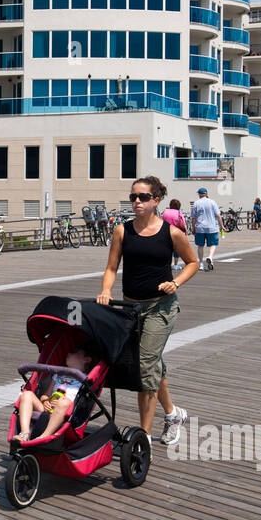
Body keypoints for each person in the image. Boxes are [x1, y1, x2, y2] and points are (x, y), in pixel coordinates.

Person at [97, 175, 199, 446]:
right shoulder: (122, 231)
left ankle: (144, 439)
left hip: (160, 309)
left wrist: (175, 282)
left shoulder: (171, 232)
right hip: (130, 309)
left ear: (156, 200)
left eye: (143, 197)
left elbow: (192, 262)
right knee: (151, 365)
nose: (137, 202)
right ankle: (173, 414)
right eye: (133, 197)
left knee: (145, 366)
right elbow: (111, 268)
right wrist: (106, 291)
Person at [14, 347, 96, 441]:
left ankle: (44, 436)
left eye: (74, 352)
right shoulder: (58, 375)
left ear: (87, 359)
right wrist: (45, 401)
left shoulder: (86, 380)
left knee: (63, 401)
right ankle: (24, 433)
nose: (68, 353)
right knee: (27, 394)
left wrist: (64, 404)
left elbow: (88, 403)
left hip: (66, 412)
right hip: (48, 409)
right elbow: (46, 395)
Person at [190, 187, 221, 271]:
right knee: (213, 244)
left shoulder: (196, 203)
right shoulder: (212, 202)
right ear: (206, 194)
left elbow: (193, 218)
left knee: (200, 246)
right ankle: (210, 256)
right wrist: (221, 226)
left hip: (200, 227)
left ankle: (201, 264)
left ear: (199, 194)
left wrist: (193, 228)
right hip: (212, 227)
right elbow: (218, 215)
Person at [162, 198, 187, 272]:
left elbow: (162, 221)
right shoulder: (179, 213)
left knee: (168, 249)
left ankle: (167, 264)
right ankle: (175, 265)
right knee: (176, 250)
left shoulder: (165, 212)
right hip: (176, 233)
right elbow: (183, 224)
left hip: (166, 232)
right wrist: (186, 233)